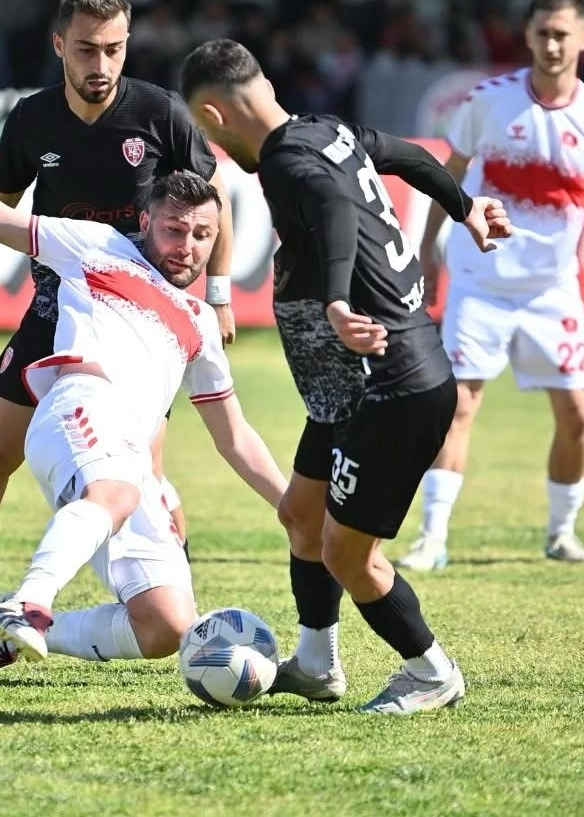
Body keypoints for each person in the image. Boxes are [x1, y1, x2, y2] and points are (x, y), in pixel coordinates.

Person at [0, 0, 238, 644]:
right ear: (59, 45)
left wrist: (221, 292)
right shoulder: (32, 120)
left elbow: (213, 198)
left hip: (134, 324)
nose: (101, 64)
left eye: (114, 49)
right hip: (56, 307)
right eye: (86, 49)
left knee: (146, 473)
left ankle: (166, 614)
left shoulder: (161, 113)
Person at [0, 136, 287, 681]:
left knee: (166, 627)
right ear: (145, 221)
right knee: (112, 492)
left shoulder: (201, 322)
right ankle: (28, 603)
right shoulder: (96, 246)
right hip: (81, 404)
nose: (186, 246)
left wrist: (291, 507)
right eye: (174, 229)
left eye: (201, 235)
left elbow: (234, 435)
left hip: (129, 457)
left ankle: (15, 636)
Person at [178, 38, 511, 713]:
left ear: (213, 115)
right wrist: (465, 206)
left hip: (392, 388)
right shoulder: (324, 130)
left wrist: (334, 300)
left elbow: (332, 205)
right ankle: (316, 662)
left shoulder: (287, 161)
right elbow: (409, 154)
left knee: (348, 555)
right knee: (301, 516)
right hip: (347, 390)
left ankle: (432, 672)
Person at [398, 0, 584, 571]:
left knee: (578, 415)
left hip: (553, 289)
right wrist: (427, 252)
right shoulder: (489, 100)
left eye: (562, 34)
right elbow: (445, 175)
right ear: (527, 36)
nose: (552, 44)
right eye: (542, 33)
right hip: (481, 281)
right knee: (459, 406)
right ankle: (432, 538)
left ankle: (561, 533)